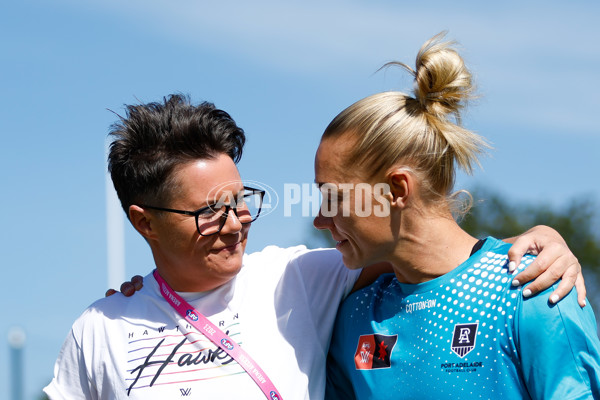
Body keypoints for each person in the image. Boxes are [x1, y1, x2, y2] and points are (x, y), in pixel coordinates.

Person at [45, 94, 583, 399]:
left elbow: (436, 251)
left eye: (241, 200)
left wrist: (537, 245)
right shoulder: (100, 331)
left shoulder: (302, 281)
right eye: (210, 211)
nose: (235, 223)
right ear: (145, 223)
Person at [318, 33, 600, 399]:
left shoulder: (535, 289)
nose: (320, 220)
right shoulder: (353, 318)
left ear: (397, 190)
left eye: (334, 197)